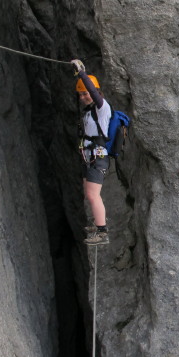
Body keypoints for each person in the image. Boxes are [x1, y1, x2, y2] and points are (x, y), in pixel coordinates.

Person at [71, 59, 111, 246]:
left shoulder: (102, 108)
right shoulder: (89, 111)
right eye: (80, 95)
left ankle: (102, 233)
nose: (83, 97)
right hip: (89, 158)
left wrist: (82, 74)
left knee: (94, 195)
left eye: (85, 93)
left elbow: (94, 94)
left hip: (98, 158)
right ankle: (98, 223)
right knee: (89, 194)